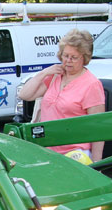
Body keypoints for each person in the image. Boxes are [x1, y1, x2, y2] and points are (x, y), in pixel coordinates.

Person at [17, 28, 105, 162]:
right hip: (47, 150)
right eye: (65, 55)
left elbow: (98, 128)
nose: (68, 60)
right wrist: (44, 73)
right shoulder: (55, 76)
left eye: (74, 57)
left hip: (75, 155)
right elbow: (25, 95)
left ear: (84, 58)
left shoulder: (91, 84)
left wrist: (98, 164)